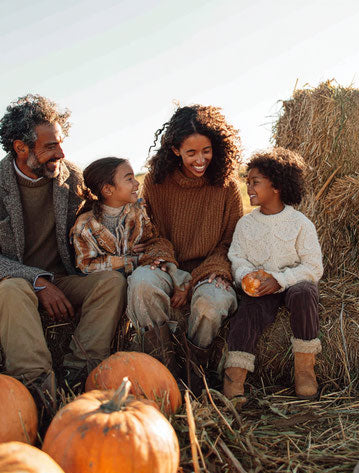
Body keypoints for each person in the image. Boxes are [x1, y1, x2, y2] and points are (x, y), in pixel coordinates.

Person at [0, 95, 126, 414]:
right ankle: (38, 391)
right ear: (21, 147)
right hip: (9, 283)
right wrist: (37, 280)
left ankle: (78, 373)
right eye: (51, 146)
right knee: (14, 290)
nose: (61, 153)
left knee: (111, 283)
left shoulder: (73, 179)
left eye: (61, 143)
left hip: (64, 279)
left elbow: (107, 216)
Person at [127, 104, 243, 391]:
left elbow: (231, 240)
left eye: (206, 150)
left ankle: (194, 375)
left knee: (212, 302)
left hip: (211, 266)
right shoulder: (155, 182)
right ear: (176, 150)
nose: (200, 159)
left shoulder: (227, 186)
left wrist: (206, 274)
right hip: (167, 262)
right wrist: (170, 266)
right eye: (191, 153)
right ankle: (162, 372)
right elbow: (150, 231)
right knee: (141, 284)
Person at [70, 157, 190, 369]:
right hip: (109, 287)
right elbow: (86, 265)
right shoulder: (85, 225)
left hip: (139, 279)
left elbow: (152, 239)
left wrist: (153, 256)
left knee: (148, 281)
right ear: (108, 190)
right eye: (129, 179)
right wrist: (129, 261)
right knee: (119, 282)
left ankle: (167, 359)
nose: (136, 183)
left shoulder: (137, 210)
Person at [225, 147, 323, 404]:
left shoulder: (300, 223)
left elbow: (313, 267)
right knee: (248, 311)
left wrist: (280, 280)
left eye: (255, 182)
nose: (249, 188)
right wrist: (247, 277)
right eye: (247, 182)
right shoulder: (246, 224)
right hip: (260, 286)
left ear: (277, 186)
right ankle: (235, 377)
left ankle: (304, 370)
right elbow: (238, 257)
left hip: (291, 282)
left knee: (305, 293)